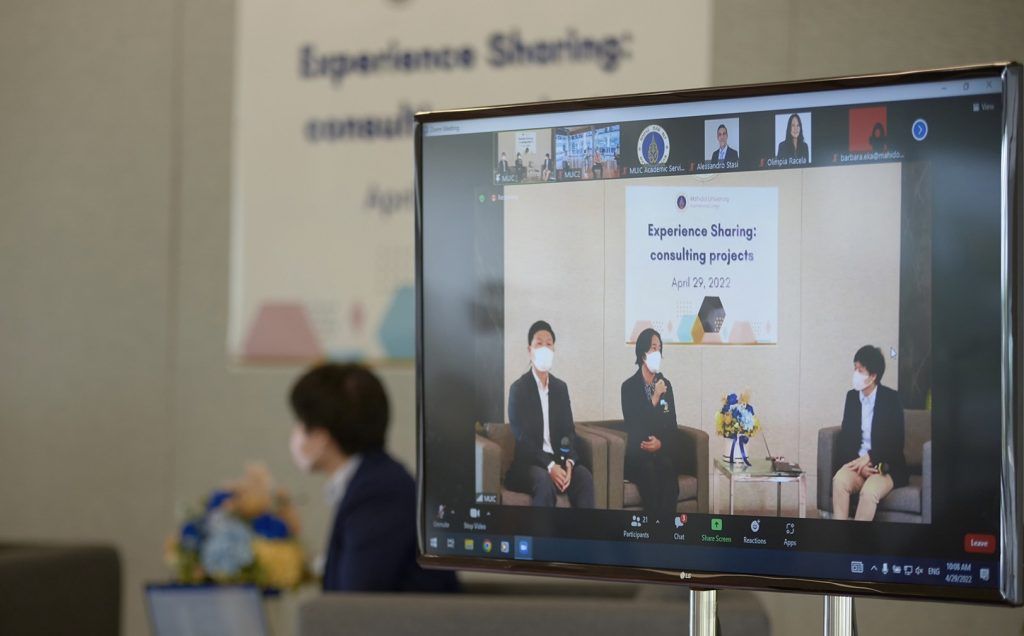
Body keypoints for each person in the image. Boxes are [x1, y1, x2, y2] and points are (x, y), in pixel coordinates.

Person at [288, 363, 459, 592]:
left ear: (321, 437)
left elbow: (356, 598)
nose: (296, 434)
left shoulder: (380, 493)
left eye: (300, 424)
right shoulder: (373, 479)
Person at [505, 320, 596, 508]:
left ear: (554, 350)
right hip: (529, 464)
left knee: (585, 478)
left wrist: (569, 462)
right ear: (529, 350)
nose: (544, 349)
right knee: (544, 481)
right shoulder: (518, 389)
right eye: (539, 344)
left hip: (558, 461)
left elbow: (568, 431)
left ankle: (585, 527)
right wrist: (550, 466)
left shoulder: (560, 388)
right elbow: (522, 438)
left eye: (549, 344)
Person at [832, 345, 908, 521]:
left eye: (860, 370)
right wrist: (859, 465)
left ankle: (857, 538)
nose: (855, 374)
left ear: (873, 376)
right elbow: (846, 439)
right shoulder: (852, 398)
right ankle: (838, 534)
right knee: (839, 481)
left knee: (868, 493)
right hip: (857, 464)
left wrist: (870, 458)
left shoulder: (891, 399)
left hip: (884, 468)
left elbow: (896, 443)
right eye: (855, 368)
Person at [620, 328, 680, 517]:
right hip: (638, 456)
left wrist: (660, 443)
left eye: (659, 348)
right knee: (649, 472)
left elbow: (672, 426)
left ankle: (667, 527)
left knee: (668, 469)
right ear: (643, 353)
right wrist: (654, 398)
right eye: (653, 348)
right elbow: (635, 427)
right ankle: (654, 528)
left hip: (661, 453)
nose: (657, 353)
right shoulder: (628, 388)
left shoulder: (665, 385)